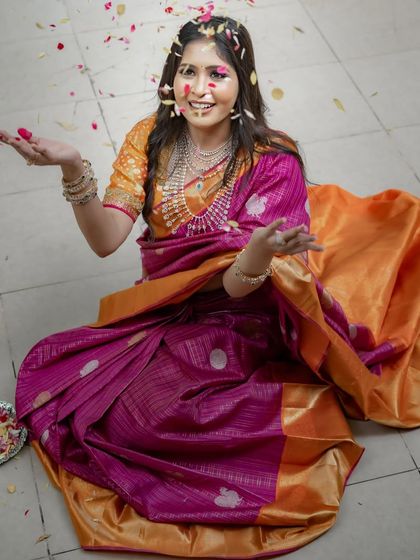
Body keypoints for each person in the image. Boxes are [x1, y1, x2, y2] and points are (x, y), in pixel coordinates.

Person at [1, 14, 419, 560]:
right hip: (164, 305)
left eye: (216, 74)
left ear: (242, 81)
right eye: (187, 72)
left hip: (240, 317)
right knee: (63, 369)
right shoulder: (150, 138)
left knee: (155, 414)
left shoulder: (272, 162)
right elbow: (107, 241)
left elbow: (243, 289)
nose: (200, 90)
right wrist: (74, 169)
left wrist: (262, 250)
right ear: (171, 78)